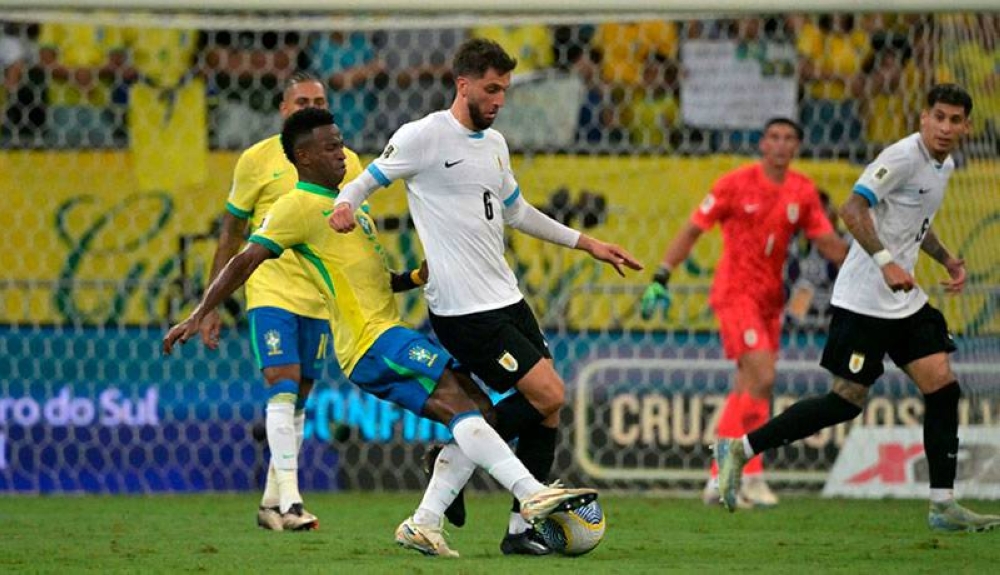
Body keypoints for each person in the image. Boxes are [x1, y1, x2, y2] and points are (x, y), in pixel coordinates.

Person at [164, 107, 599, 557]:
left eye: (341, 143)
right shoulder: (295, 206)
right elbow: (245, 259)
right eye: (331, 147)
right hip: (371, 341)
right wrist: (201, 311)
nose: (342, 153)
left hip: (385, 335)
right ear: (304, 155)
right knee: (461, 401)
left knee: (479, 411)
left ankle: (425, 523)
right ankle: (531, 493)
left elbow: (372, 278)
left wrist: (413, 277)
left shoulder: (350, 211)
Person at [327, 38, 642, 555]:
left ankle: (517, 529)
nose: (499, 100)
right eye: (491, 89)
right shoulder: (424, 136)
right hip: (462, 310)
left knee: (547, 410)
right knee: (551, 393)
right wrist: (342, 205)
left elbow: (517, 212)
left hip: (506, 297)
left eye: (505, 91)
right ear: (463, 84)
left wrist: (588, 244)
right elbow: (365, 182)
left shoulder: (495, 145)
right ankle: (456, 455)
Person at [714, 83, 1000, 533]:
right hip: (863, 301)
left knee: (942, 385)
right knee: (846, 402)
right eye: (938, 117)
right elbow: (851, 209)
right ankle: (740, 448)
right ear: (923, 117)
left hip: (903, 302)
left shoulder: (943, 165)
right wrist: (886, 264)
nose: (945, 127)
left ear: (966, 126)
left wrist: (944, 258)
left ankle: (942, 504)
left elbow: (913, 224)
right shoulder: (902, 157)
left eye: (955, 120)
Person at [640, 117, 849, 509]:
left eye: (789, 138)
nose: (781, 144)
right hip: (736, 295)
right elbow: (692, 229)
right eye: (774, 137)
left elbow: (829, 245)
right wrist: (662, 275)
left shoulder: (802, 192)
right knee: (763, 376)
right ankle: (741, 474)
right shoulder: (734, 184)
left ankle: (724, 479)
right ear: (762, 144)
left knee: (749, 388)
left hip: (772, 301)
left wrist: (876, 264)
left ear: (797, 147)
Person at [198, 72, 367, 532]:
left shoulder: (345, 159)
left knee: (300, 398)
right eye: (300, 100)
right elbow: (232, 232)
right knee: (282, 382)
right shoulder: (257, 160)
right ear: (283, 108)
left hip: (318, 295)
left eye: (318, 100)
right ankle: (292, 502)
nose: (309, 106)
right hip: (269, 287)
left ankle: (271, 501)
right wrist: (211, 304)